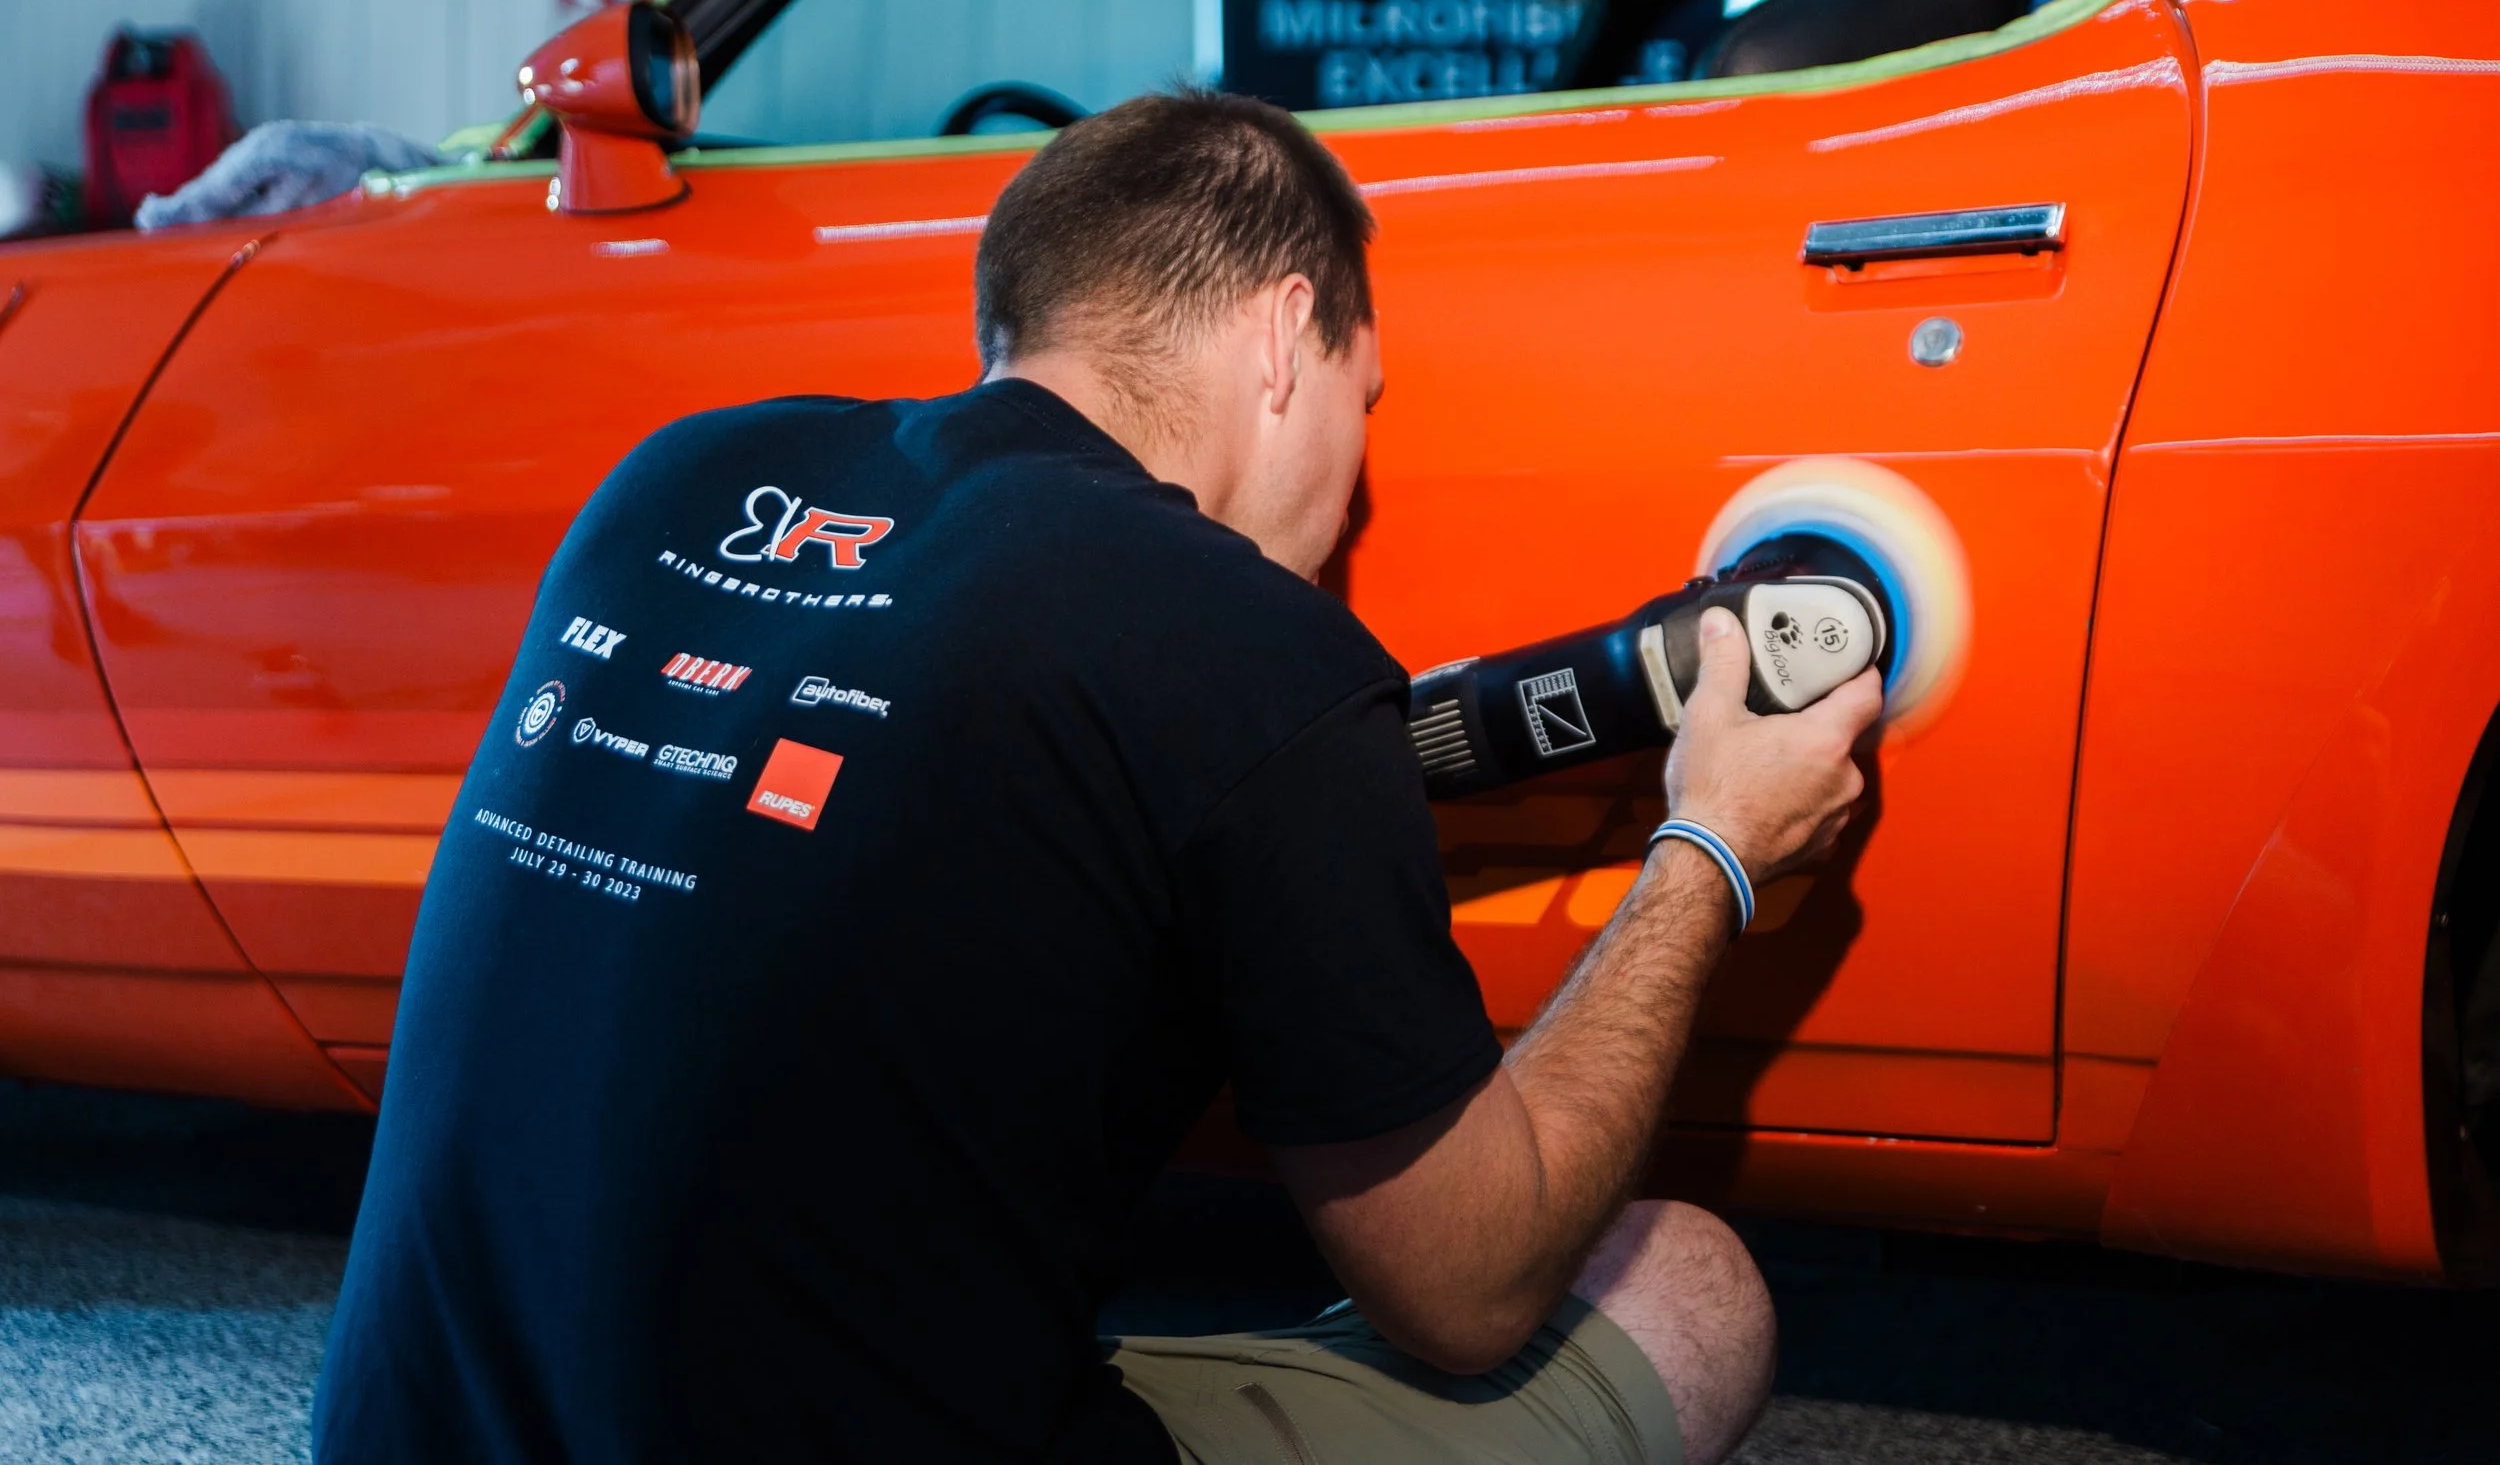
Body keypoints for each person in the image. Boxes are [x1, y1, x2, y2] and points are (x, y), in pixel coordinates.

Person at [311, 88, 1880, 1465]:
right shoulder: (1244, 638)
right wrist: (1714, 843)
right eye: (1366, 400)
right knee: (1686, 1287)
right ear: (1285, 335)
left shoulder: (677, 474)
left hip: (404, 1433)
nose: (1357, 483)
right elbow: (1465, 1290)